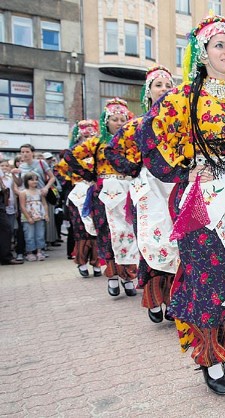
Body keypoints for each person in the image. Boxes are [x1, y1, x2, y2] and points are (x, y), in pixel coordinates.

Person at [133, 15, 225, 395]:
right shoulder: (184, 97)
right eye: (220, 45)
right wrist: (181, 171)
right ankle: (210, 356)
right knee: (206, 277)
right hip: (202, 199)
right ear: (201, 54)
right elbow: (146, 133)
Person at [105, 65, 179, 323]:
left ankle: (174, 298)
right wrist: (133, 168)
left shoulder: (179, 125)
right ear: (148, 92)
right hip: (149, 190)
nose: (165, 90)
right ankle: (153, 298)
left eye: (169, 85)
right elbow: (111, 151)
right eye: (158, 85)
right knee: (151, 242)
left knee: (178, 243)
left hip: (176, 188)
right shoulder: (137, 125)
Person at [64, 98, 138, 297]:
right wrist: (88, 174)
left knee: (128, 233)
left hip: (128, 191)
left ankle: (128, 277)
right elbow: (69, 155)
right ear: (106, 121)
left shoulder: (132, 142)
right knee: (106, 233)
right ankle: (113, 277)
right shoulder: (97, 143)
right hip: (103, 193)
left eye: (123, 118)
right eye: (115, 119)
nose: (119, 122)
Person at [59, 120, 101, 277]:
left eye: (91, 135)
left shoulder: (99, 150)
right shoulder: (73, 155)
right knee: (81, 230)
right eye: (85, 136)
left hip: (96, 192)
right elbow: (63, 174)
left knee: (98, 228)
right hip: (78, 194)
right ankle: (81, 261)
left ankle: (97, 262)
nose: (88, 139)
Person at [15, 144, 57, 257]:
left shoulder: (41, 163)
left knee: (41, 227)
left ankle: (40, 250)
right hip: (27, 199)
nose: (25, 154)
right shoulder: (21, 167)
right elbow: (18, 184)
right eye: (22, 152)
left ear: (32, 152)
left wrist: (46, 188)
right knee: (27, 229)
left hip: (40, 196)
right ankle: (29, 251)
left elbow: (52, 177)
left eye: (27, 151)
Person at [19, 172, 48, 261]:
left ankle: (39, 251)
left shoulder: (40, 192)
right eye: (31, 180)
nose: (34, 182)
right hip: (28, 217)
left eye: (36, 180)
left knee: (40, 234)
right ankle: (30, 252)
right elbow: (22, 206)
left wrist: (46, 214)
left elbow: (44, 203)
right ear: (26, 181)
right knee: (29, 235)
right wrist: (28, 217)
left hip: (39, 215)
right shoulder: (23, 192)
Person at [0, 160, 23, 265]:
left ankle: (6, 257)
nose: (4, 167)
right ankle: (6, 257)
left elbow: (17, 185)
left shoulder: (8, 176)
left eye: (6, 165)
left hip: (5, 203)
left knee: (7, 229)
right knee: (6, 229)